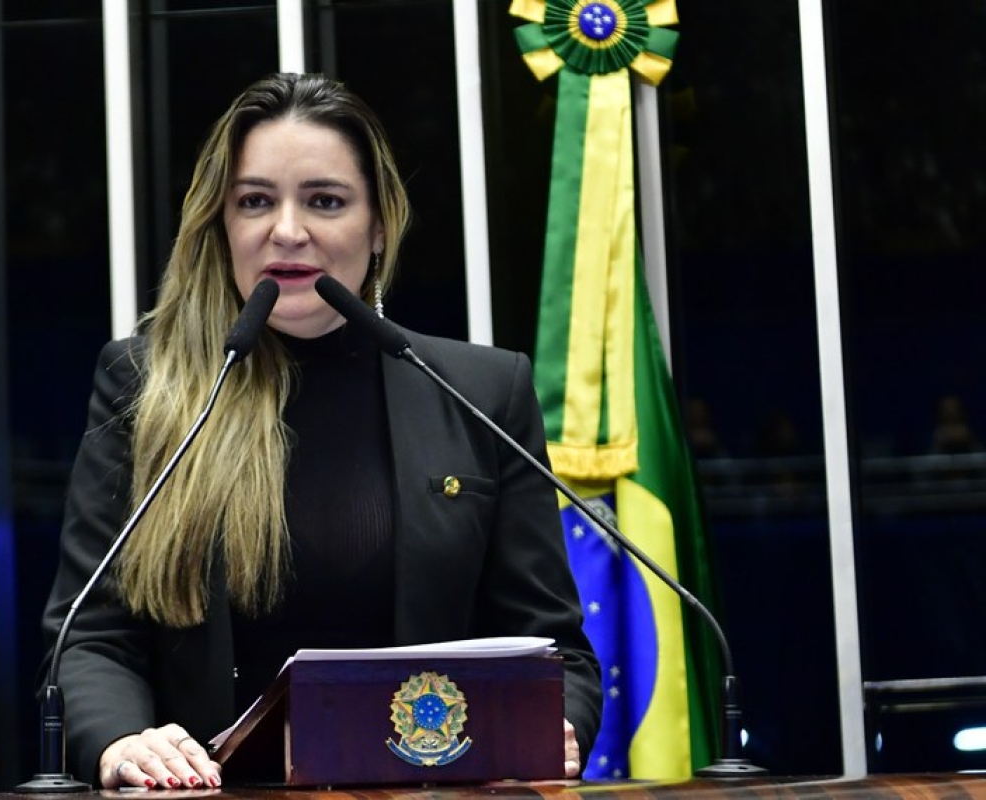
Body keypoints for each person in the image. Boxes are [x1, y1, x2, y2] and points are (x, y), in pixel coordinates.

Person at [40, 72, 602, 790]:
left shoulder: (482, 391)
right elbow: (89, 636)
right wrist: (122, 741)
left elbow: (556, 652)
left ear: (379, 226)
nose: (287, 230)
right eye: (254, 201)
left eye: (325, 201)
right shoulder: (147, 385)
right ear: (221, 223)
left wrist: (554, 725)